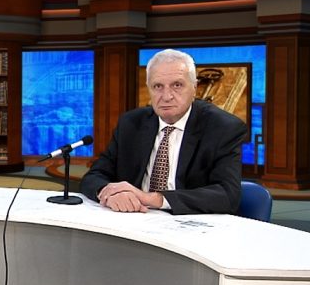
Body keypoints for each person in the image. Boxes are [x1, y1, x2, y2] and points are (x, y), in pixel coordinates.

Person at [80, 49, 247, 215]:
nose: (166, 96)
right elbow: (95, 175)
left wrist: (153, 199)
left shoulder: (223, 128)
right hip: (134, 217)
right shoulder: (131, 123)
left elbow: (228, 195)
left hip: (188, 222)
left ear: (194, 88)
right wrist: (109, 193)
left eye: (177, 85)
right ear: (149, 89)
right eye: (158, 86)